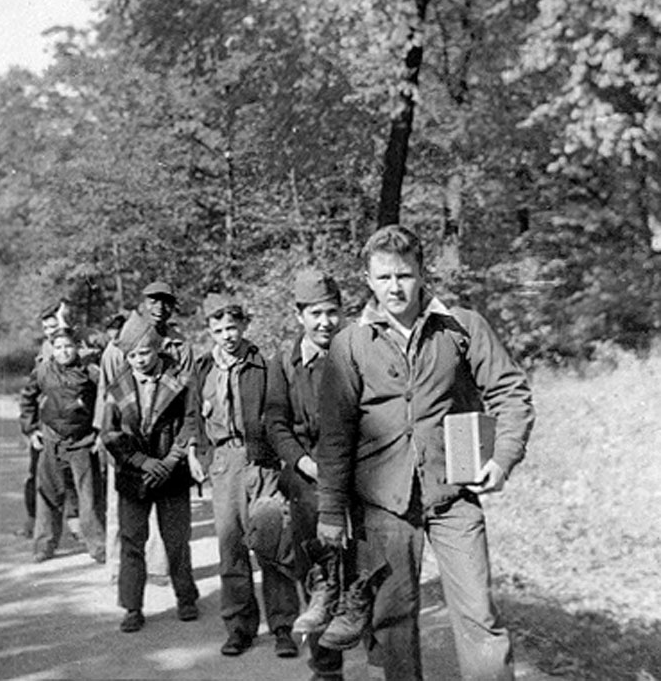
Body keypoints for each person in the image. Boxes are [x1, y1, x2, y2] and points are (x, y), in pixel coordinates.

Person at [316, 225, 535, 680]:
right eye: (384, 277)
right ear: (368, 279)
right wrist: (331, 511)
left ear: (422, 273)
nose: (395, 287)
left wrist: (503, 458)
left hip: (453, 496)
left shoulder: (461, 327)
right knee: (392, 623)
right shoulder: (350, 343)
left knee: (479, 616)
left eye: (404, 275)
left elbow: (511, 392)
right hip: (384, 506)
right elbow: (335, 436)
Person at [191, 293, 299, 658]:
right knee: (231, 547)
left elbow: (281, 414)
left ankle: (283, 626)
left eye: (232, 327)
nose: (227, 336)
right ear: (210, 331)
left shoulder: (264, 365)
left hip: (262, 462)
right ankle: (239, 627)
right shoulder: (204, 369)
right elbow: (194, 416)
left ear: (244, 326)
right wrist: (197, 452)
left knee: (272, 542)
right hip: (224, 463)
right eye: (218, 330)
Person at [265, 269, 348, 680]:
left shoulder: (357, 354)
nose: (325, 322)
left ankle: (382, 662)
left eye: (332, 312)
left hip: (356, 475)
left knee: (365, 572)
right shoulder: (283, 363)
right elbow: (275, 424)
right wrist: (305, 464)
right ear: (300, 316)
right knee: (319, 576)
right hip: (306, 479)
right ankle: (327, 668)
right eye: (316, 314)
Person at [100, 311, 201, 632]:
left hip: (173, 472)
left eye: (144, 353)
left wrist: (171, 460)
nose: (139, 360)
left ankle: (186, 597)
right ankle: (132, 607)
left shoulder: (181, 380)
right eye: (132, 355)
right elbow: (110, 434)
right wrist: (142, 462)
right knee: (132, 541)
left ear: (157, 348)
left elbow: (191, 421)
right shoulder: (117, 388)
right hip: (134, 475)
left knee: (177, 540)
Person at [20, 326, 106, 564]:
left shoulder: (91, 372)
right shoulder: (43, 371)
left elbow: (105, 401)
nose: (64, 351)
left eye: (68, 346)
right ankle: (44, 546)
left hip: (82, 442)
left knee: (89, 497)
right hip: (51, 440)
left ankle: (98, 547)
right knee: (48, 495)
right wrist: (31, 429)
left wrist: (100, 432)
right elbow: (27, 397)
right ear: (52, 350)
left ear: (77, 348)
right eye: (58, 347)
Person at [18, 301, 79, 539]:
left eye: (54, 326)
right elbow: (29, 394)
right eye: (46, 328)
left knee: (71, 475)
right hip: (44, 425)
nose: (50, 332)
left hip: (71, 425)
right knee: (38, 475)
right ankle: (33, 521)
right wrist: (30, 428)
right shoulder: (46, 350)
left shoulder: (72, 346)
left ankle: (75, 522)